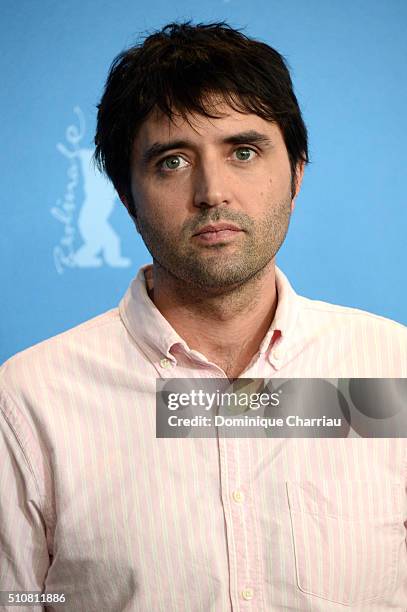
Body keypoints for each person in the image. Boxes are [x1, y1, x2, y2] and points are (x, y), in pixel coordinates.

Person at [1, 21, 406, 612]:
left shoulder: (393, 369)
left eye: (243, 151)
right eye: (171, 161)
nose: (212, 191)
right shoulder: (28, 401)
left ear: (296, 173)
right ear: (126, 195)